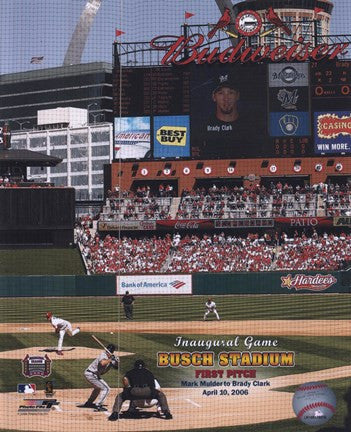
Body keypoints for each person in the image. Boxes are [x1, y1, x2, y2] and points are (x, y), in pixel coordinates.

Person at [197, 73, 260, 158]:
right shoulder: (202, 128)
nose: (226, 98)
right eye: (221, 93)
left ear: (237, 96)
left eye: (230, 92)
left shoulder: (251, 127)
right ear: (214, 97)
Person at [108, 359, 172, 421]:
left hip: (134, 391)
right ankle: (167, 413)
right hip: (147, 391)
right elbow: (153, 385)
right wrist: (153, 393)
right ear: (144, 366)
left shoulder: (131, 372)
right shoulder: (149, 372)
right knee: (161, 395)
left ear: (135, 366)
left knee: (120, 396)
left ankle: (115, 414)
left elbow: (125, 379)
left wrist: (127, 390)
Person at [82, 344, 119, 412]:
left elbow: (116, 367)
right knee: (106, 388)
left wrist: (115, 361)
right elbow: (102, 363)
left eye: (109, 352)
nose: (108, 352)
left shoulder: (110, 357)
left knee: (98, 388)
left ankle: (89, 403)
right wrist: (111, 359)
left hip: (94, 375)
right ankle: (98, 405)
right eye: (108, 351)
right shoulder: (103, 355)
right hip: (90, 374)